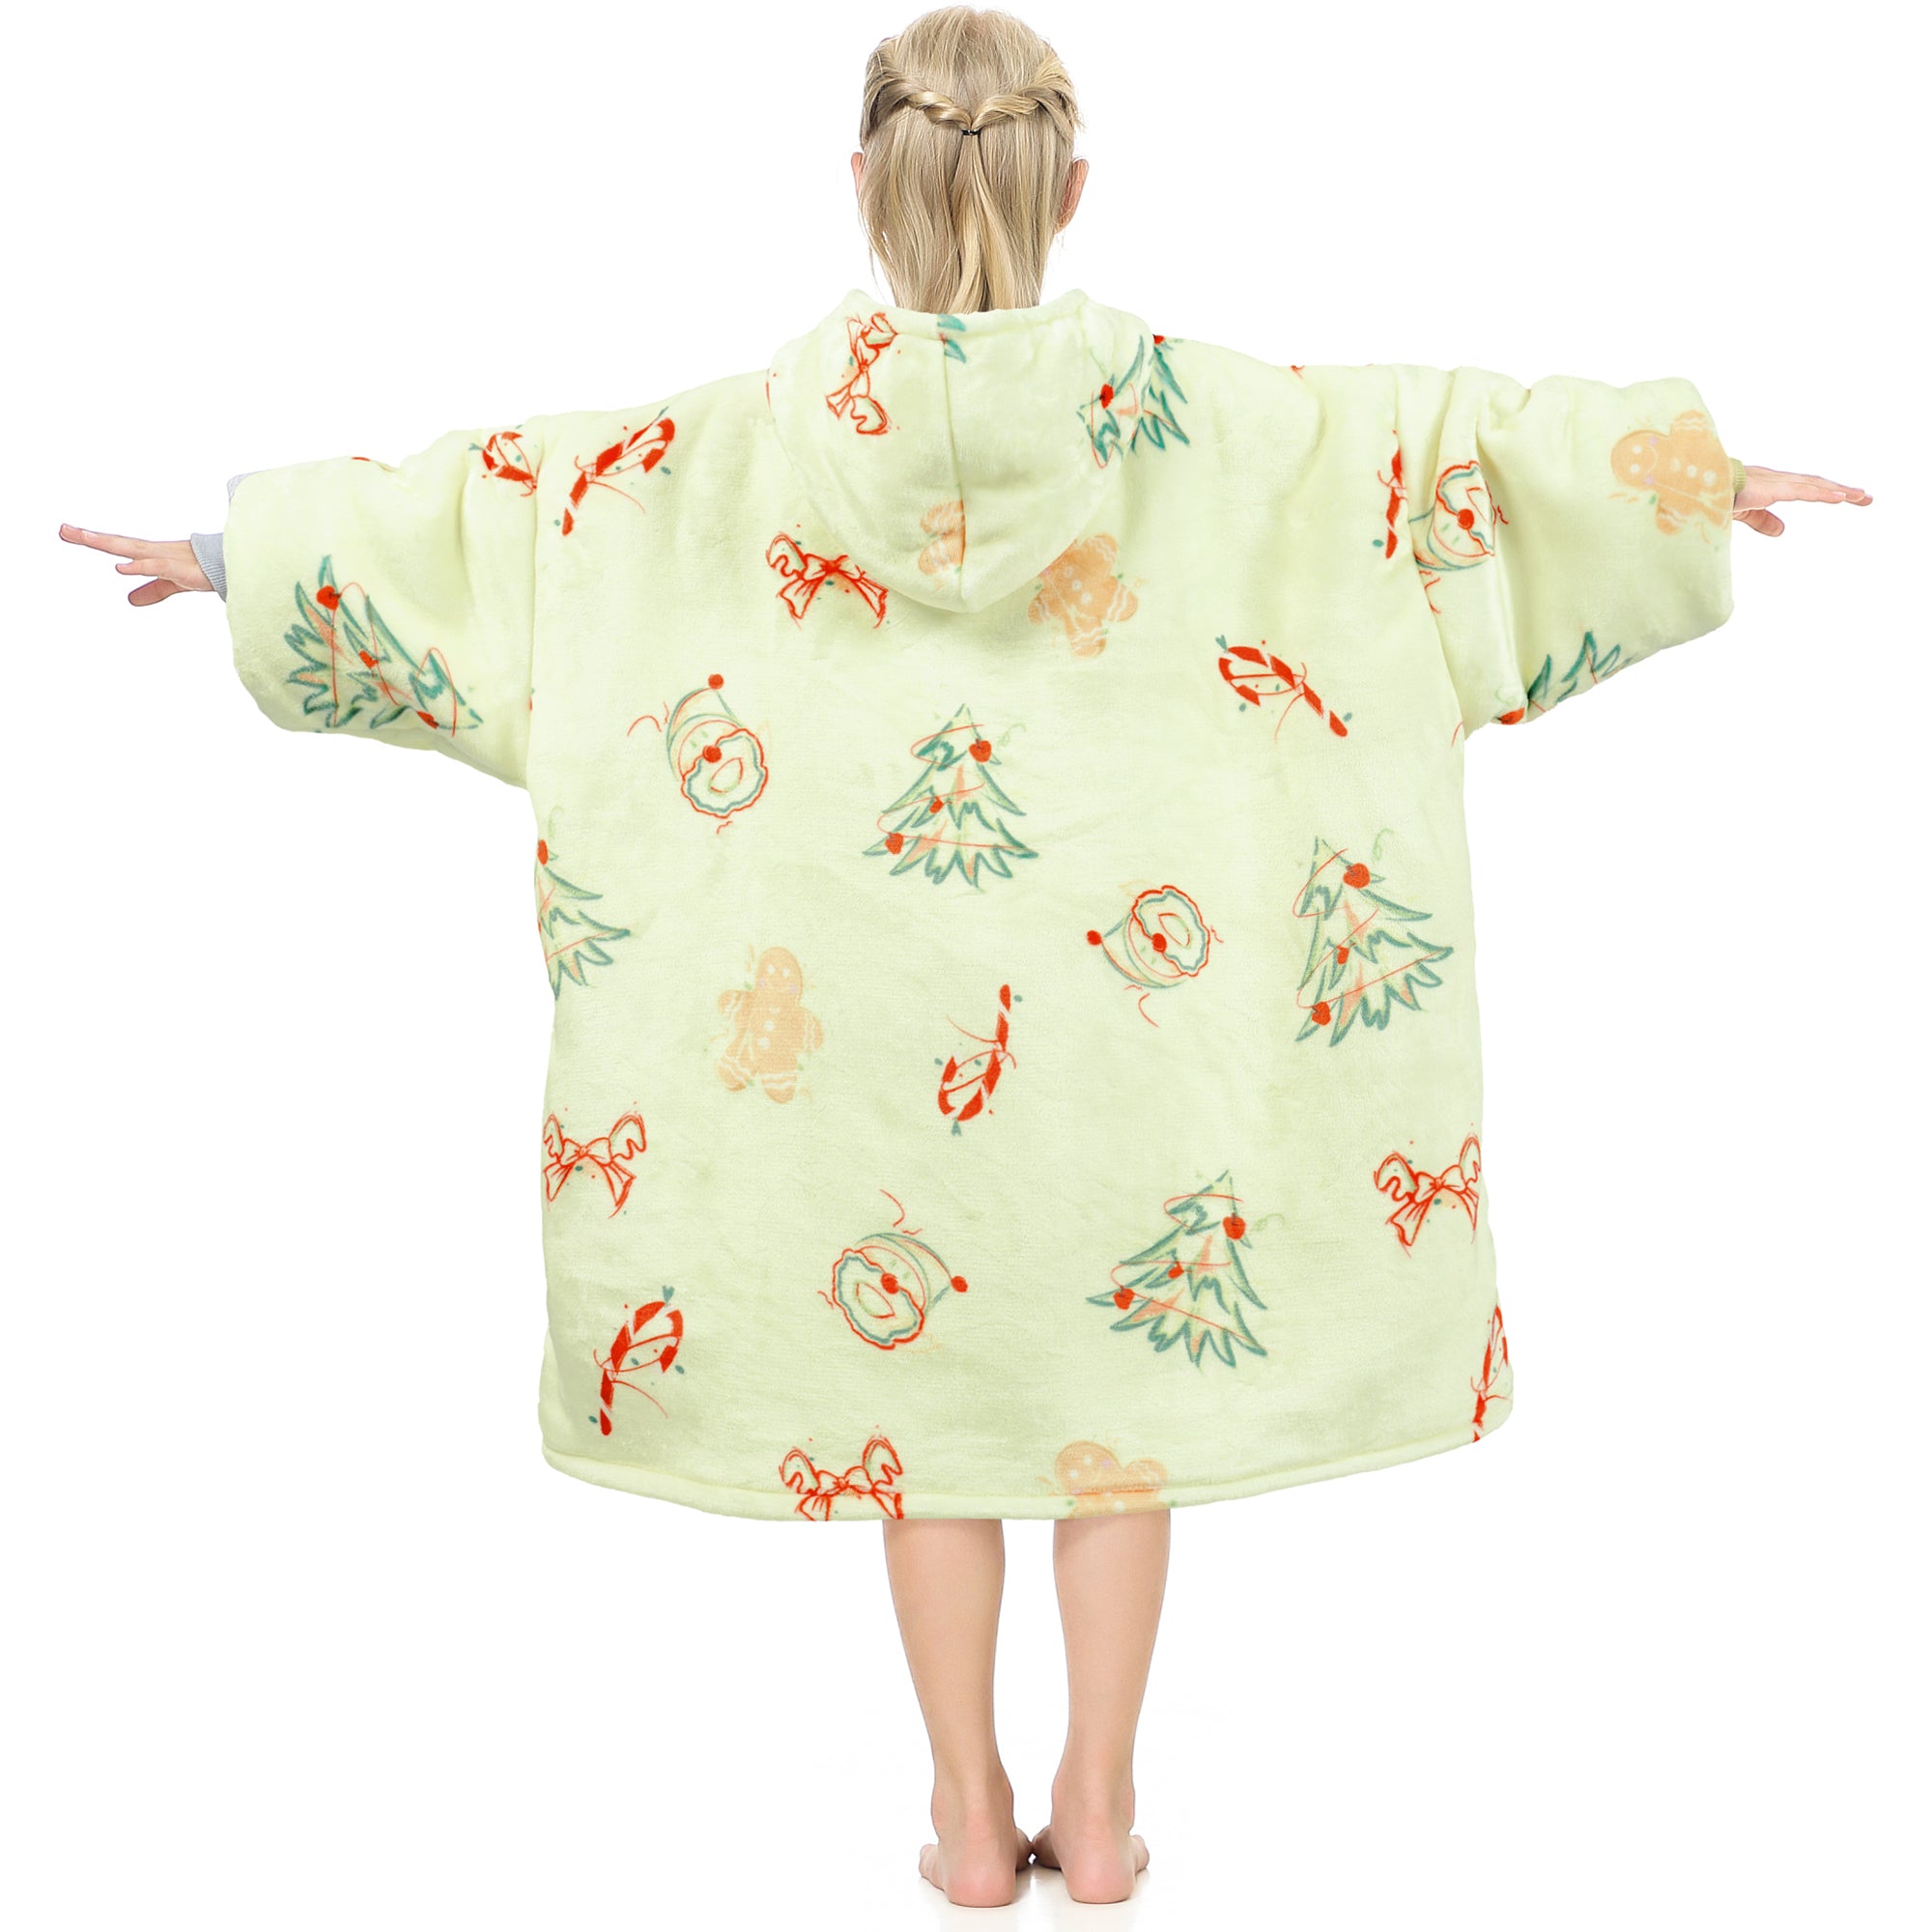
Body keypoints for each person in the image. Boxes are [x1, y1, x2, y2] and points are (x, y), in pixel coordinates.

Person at [57, 4, 1869, 1910]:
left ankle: (964, 1809)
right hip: (1135, 1065)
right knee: (1113, 1403)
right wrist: (1684, 479)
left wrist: (231, 553)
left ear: (861, 185)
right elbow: (1440, 462)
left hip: (871, 1072)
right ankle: (1102, 1799)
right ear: (1072, 190)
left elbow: (500, 528)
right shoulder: (1238, 429)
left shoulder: (701, 458)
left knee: (916, 1406)